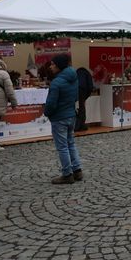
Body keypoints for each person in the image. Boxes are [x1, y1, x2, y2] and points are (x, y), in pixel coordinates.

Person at [44, 54, 83, 184]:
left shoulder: (56, 82)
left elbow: (51, 104)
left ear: (59, 66)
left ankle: (67, 174)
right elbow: (76, 97)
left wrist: (47, 113)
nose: (51, 66)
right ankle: (77, 170)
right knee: (70, 143)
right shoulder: (74, 78)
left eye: (53, 64)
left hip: (59, 117)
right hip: (71, 115)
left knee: (62, 147)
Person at [75, 66, 94, 132]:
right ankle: (81, 125)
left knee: (76, 108)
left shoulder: (76, 73)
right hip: (83, 91)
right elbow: (90, 86)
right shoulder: (87, 73)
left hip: (76, 91)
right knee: (82, 108)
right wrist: (86, 96)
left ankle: (76, 125)